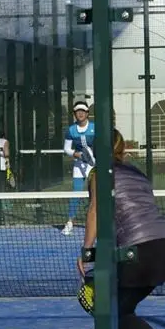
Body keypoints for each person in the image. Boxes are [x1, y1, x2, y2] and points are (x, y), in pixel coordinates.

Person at [76, 129, 165, 329]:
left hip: (138, 249)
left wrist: (87, 251)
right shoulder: (138, 173)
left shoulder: (98, 173)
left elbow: (96, 210)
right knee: (123, 307)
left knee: (115, 312)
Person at [62, 100, 95, 235]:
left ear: (87, 113)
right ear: (74, 114)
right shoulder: (71, 130)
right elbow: (66, 149)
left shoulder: (95, 127)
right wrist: (77, 154)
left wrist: (92, 156)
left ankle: (98, 223)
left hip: (94, 165)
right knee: (76, 193)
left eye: (83, 111)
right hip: (78, 165)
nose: (80, 113)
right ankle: (70, 222)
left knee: (96, 195)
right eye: (77, 111)